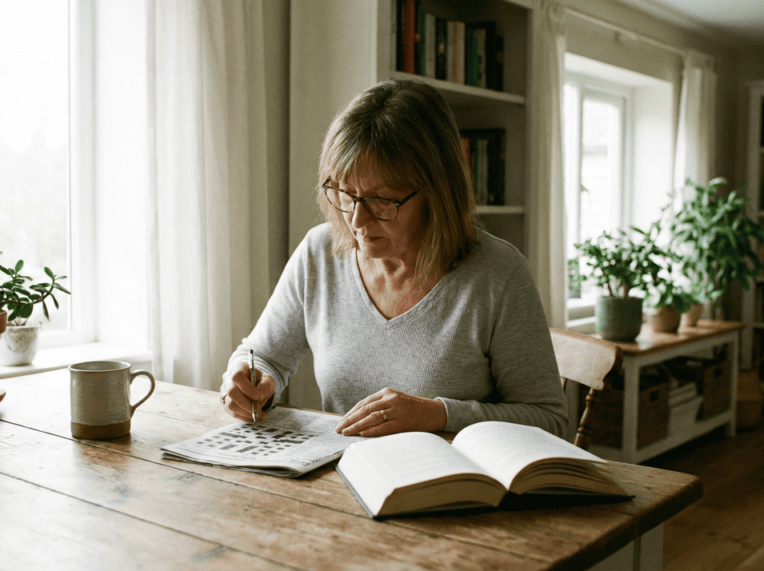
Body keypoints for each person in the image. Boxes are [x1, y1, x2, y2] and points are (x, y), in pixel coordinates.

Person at [219, 78, 567, 438]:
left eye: (381, 200)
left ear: (437, 192)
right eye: (346, 193)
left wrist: (439, 415)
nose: (356, 221)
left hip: (454, 485)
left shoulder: (498, 274)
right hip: (340, 479)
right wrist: (245, 376)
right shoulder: (319, 253)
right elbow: (264, 356)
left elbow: (549, 420)